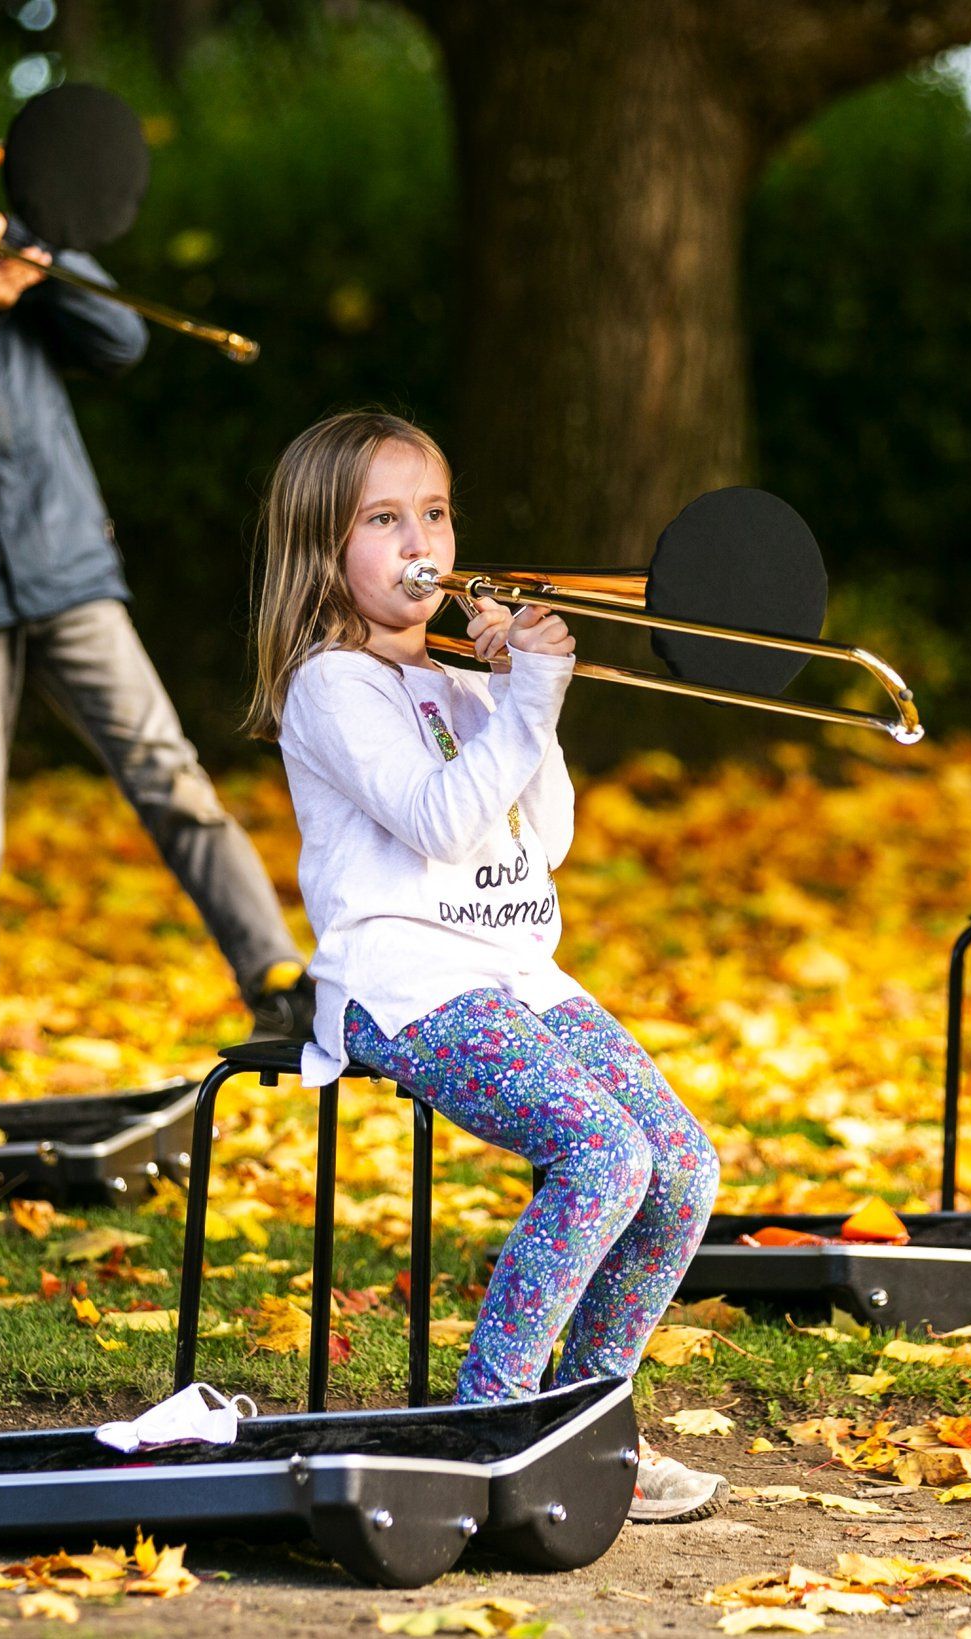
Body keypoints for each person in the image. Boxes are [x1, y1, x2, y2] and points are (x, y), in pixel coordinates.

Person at [247, 409, 724, 1521]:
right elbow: (444, 822)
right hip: (403, 983)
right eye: (383, 518)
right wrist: (532, 700)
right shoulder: (332, 685)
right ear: (325, 548)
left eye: (435, 512)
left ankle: (589, 1426)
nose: (421, 538)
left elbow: (539, 835)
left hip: (514, 970)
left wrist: (520, 695)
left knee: (683, 1166)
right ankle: (493, 1428)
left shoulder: (463, 676)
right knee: (603, 1156)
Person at [0, 72, 312, 1099]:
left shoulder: (0, 250)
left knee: (170, 777)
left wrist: (43, 248)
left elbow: (119, 341)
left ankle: (281, 983)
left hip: (67, 569)